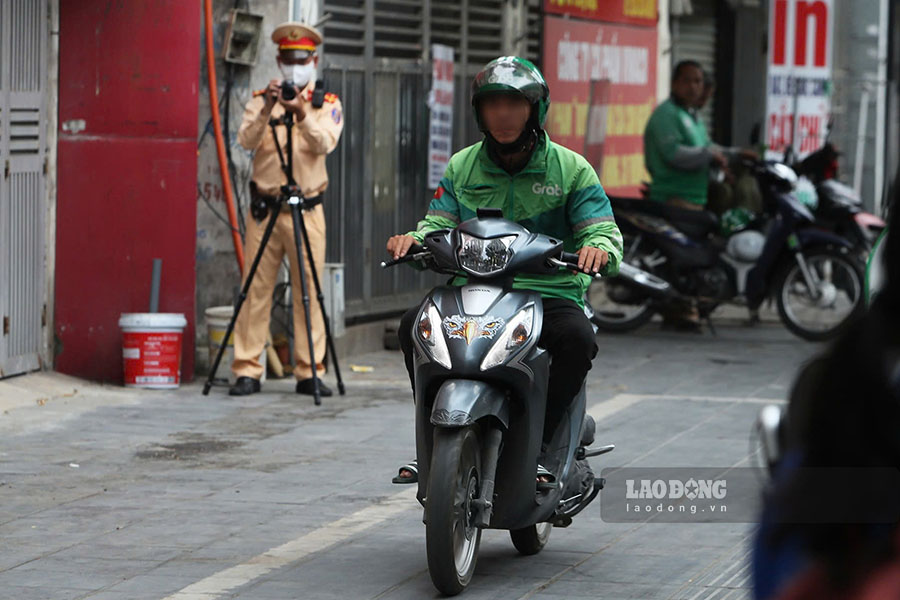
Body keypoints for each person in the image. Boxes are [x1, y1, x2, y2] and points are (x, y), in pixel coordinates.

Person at [386, 56, 623, 485]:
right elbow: (438, 224)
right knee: (412, 327)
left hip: (548, 292)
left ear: (535, 109)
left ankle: (545, 445)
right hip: (473, 288)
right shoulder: (462, 166)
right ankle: (434, 441)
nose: (503, 114)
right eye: (493, 104)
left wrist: (597, 249)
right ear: (480, 112)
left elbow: (602, 230)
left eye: (514, 104)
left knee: (577, 339)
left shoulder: (571, 169)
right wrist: (415, 241)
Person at [228, 22, 343, 397]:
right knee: (255, 290)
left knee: (309, 290)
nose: (295, 67)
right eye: (288, 60)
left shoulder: (326, 104)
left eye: (302, 60)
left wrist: (301, 113)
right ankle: (247, 369)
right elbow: (246, 140)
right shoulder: (261, 99)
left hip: (307, 210)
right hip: (265, 210)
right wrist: (268, 107)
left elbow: (324, 143)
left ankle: (309, 371)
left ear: (314, 61)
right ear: (278, 61)